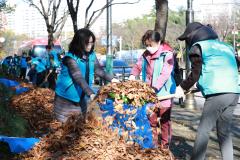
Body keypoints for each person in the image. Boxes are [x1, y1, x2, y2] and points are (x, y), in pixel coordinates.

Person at [176, 22, 239, 160]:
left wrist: (181, 87)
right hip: (234, 92)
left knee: (203, 131)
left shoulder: (198, 48)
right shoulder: (225, 46)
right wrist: (203, 85)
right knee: (224, 132)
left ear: (192, 37)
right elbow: (222, 68)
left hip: (217, 94)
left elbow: (195, 74)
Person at [54, 28, 119, 123]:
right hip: (65, 99)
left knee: (80, 127)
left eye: (92, 43)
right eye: (87, 43)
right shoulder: (69, 58)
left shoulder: (91, 55)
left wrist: (113, 79)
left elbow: (98, 70)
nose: (90, 46)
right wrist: (91, 93)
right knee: (64, 129)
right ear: (79, 42)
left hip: (81, 97)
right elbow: (78, 78)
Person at [128, 30, 176, 149]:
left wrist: (155, 87)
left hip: (164, 92)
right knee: (151, 120)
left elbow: (165, 73)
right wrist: (133, 75)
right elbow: (138, 66)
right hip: (149, 93)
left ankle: (165, 147)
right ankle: (152, 146)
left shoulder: (167, 54)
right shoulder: (146, 54)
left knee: (165, 122)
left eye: (151, 45)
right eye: (147, 45)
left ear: (158, 42)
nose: (149, 48)